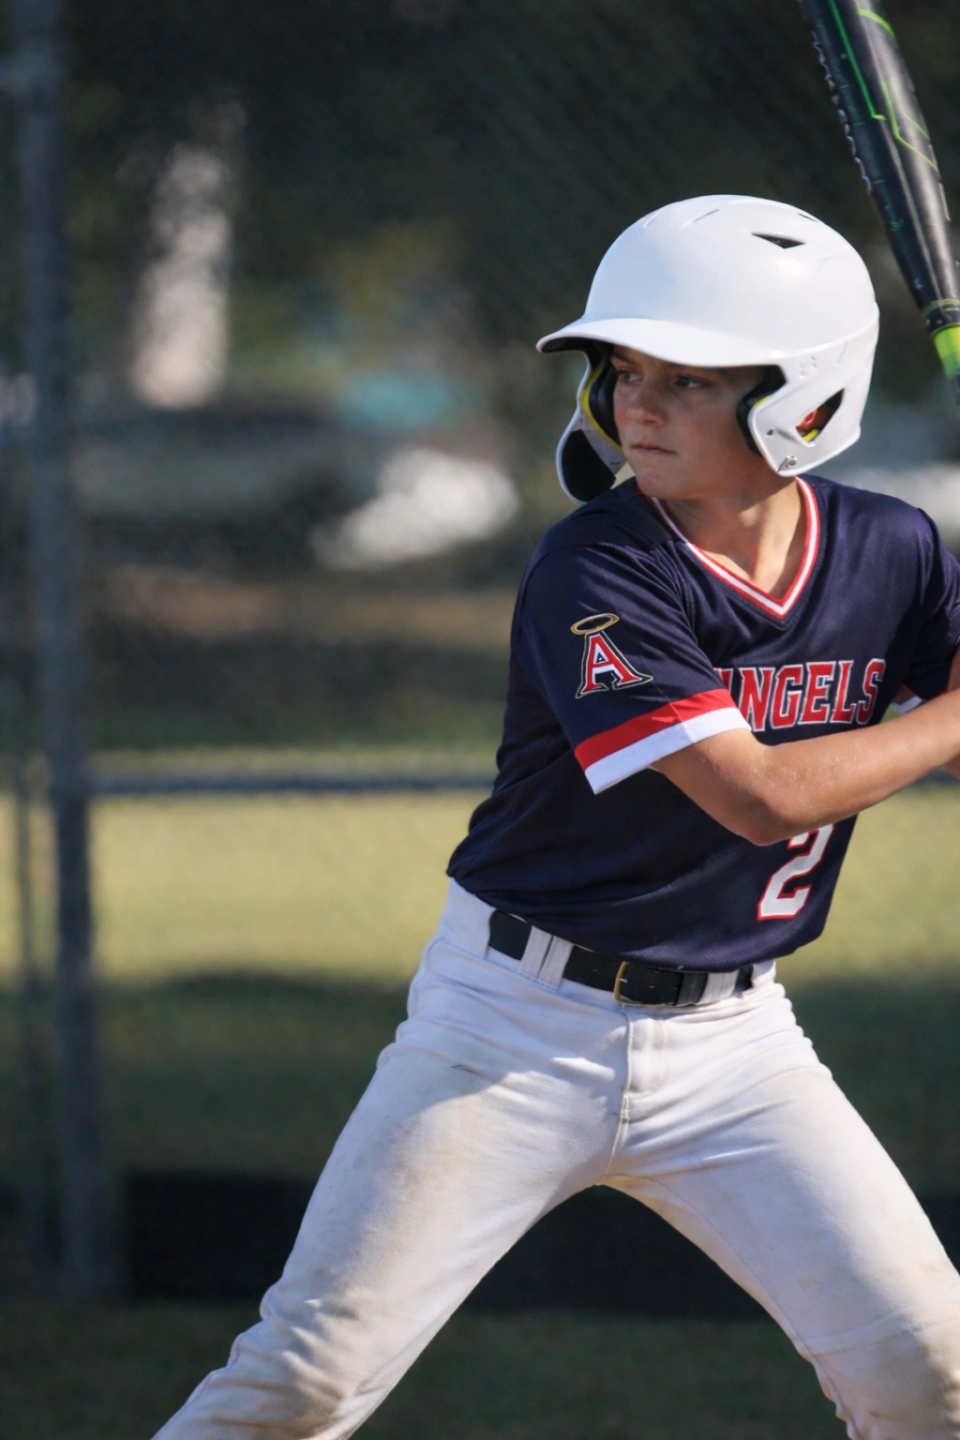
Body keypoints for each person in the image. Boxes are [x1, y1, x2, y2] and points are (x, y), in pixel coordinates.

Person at [153, 195, 960, 1440]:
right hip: (512, 1030)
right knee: (302, 1384)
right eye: (625, 371)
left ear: (803, 400)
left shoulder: (893, 551)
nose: (637, 404)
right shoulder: (597, 567)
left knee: (931, 1375)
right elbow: (766, 798)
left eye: (688, 380)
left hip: (739, 1050)